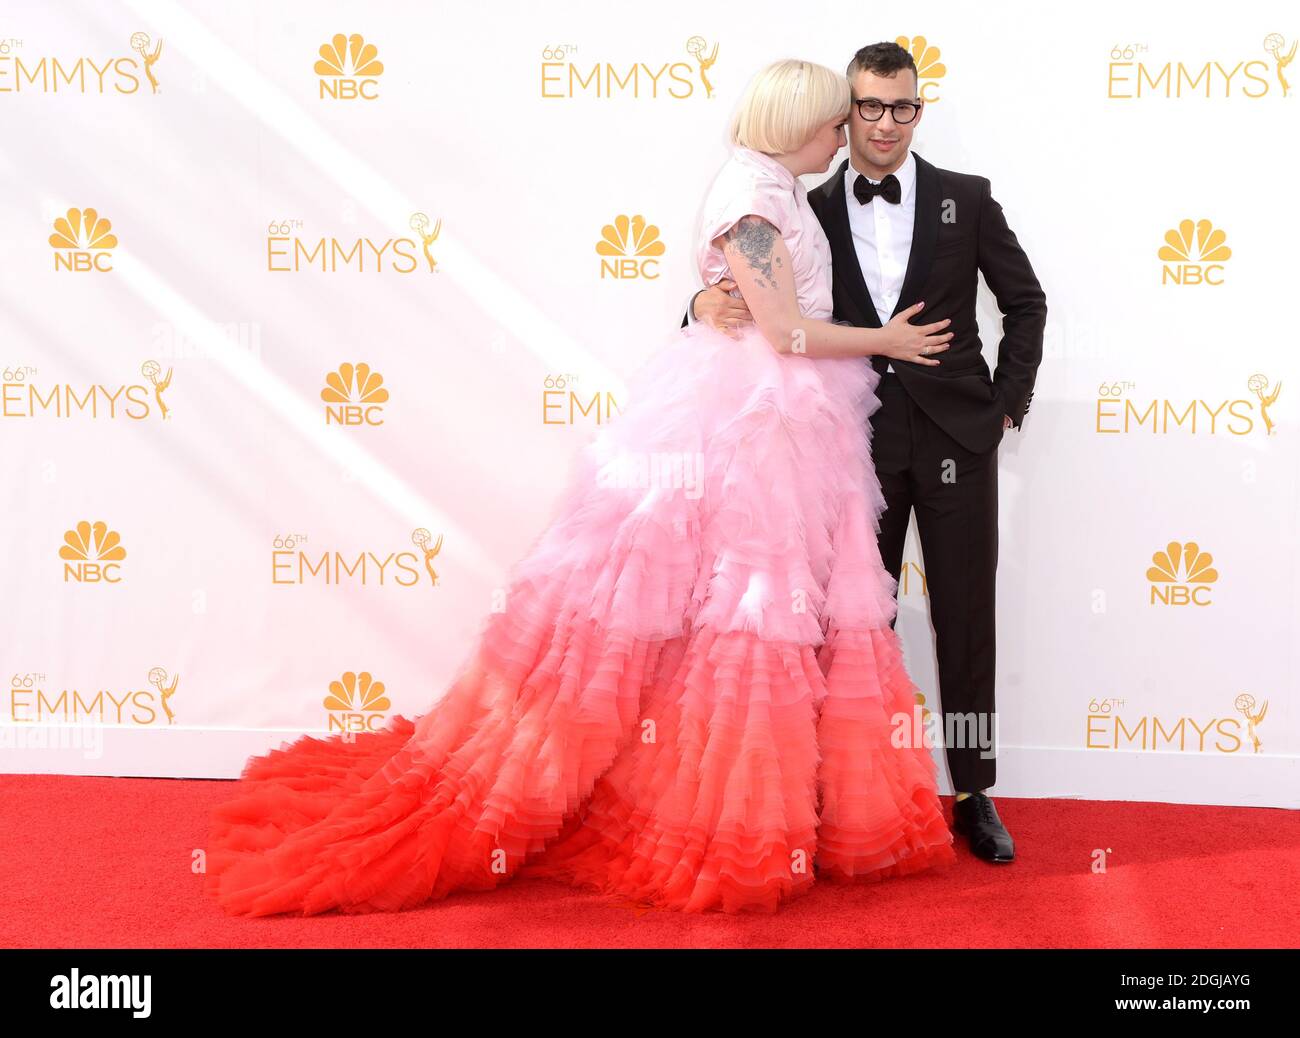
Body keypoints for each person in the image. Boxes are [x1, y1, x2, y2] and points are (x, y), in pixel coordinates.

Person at [201, 58, 958, 918]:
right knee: (734, 610)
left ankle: (741, 806)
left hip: (777, 419)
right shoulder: (753, 198)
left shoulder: (768, 187)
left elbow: (760, 308)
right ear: (800, 125)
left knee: (733, 617)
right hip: (751, 420)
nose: (843, 137)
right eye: (834, 124)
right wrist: (886, 341)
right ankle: (713, 819)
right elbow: (783, 331)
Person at [689, 42, 1047, 863]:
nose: (886, 123)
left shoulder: (967, 199)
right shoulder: (798, 202)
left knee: (966, 618)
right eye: (870, 107)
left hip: (961, 439)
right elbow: (760, 290)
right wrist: (701, 301)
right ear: (844, 113)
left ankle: (973, 790)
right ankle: (846, 794)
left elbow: (1025, 305)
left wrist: (1003, 408)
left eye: (904, 107)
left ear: (921, 111)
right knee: (855, 626)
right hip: (853, 441)